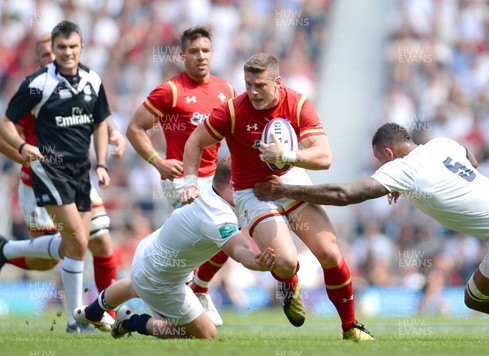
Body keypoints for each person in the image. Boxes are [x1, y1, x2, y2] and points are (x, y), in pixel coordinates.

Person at [254, 122, 489, 341]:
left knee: (477, 299)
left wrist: (286, 191)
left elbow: (346, 195)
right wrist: (410, 185)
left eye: (380, 162)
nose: (382, 170)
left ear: (388, 153)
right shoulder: (442, 145)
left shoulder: (404, 169)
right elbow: (472, 161)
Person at [180, 53, 374, 341]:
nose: (253, 92)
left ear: (277, 82)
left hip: (289, 180)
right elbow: (195, 141)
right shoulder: (233, 111)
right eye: (248, 85)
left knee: (330, 253)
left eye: (260, 85)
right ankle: (288, 281)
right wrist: (190, 181)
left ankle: (351, 327)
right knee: (285, 261)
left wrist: (287, 155)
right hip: (251, 192)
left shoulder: (296, 103)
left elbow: (324, 157)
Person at [73, 156, 276, 339]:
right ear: (232, 185)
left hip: (148, 252)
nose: (253, 189)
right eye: (248, 182)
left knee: (135, 284)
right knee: (206, 334)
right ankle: (131, 323)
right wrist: (258, 262)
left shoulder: (203, 184)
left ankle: (91, 312)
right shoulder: (219, 217)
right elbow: (239, 251)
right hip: (160, 281)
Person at [0, 21, 111, 333]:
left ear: (81, 47)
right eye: (60, 47)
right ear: (52, 51)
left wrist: (101, 163)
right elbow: (5, 122)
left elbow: (101, 122)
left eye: (72, 46)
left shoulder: (93, 78)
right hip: (49, 171)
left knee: (76, 244)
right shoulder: (38, 83)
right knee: (76, 240)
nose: (66, 53)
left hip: (81, 173)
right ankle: (77, 320)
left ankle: (5, 250)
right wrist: (23, 147)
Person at [126, 26, 235, 327]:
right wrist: (157, 161)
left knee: (229, 230)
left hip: (213, 180)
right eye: (194, 51)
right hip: (180, 179)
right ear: (182, 54)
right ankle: (192, 288)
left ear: (213, 53)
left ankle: (193, 287)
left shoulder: (226, 91)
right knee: (223, 228)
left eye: (205, 50)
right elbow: (134, 128)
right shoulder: (171, 91)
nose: (201, 56)